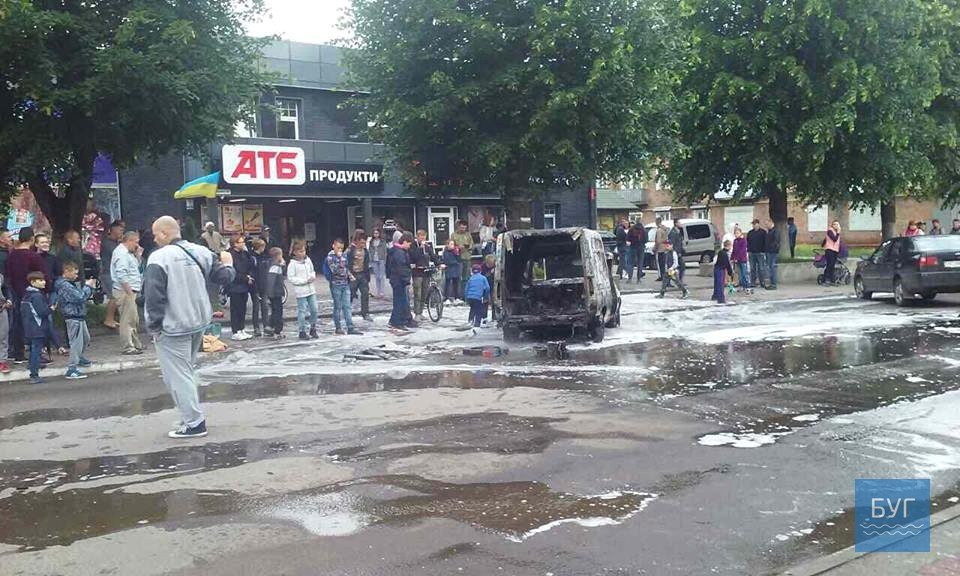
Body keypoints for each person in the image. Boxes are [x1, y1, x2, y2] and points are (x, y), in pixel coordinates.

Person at [144, 216, 235, 438]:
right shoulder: (201, 252)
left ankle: (194, 423)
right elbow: (224, 277)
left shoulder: (158, 258)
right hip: (198, 321)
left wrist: (153, 326)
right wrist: (229, 262)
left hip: (173, 325)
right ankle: (189, 416)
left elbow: (154, 296)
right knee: (185, 372)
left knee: (177, 376)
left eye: (155, 235)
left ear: (164, 233)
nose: (154, 239)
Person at [5, 226, 47, 362]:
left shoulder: (11, 256)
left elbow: (8, 275)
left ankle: (17, 352)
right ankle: (36, 354)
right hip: (32, 295)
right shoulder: (33, 256)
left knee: (17, 323)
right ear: (32, 239)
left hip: (15, 293)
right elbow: (42, 274)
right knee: (35, 324)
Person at [55, 262, 95, 379]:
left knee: (86, 339)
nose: (76, 276)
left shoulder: (70, 284)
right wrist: (88, 287)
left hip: (79, 315)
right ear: (66, 271)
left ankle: (79, 357)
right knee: (76, 342)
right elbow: (79, 297)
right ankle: (72, 368)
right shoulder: (64, 285)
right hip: (72, 316)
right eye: (74, 273)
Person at [111, 230, 143, 355]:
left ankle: (135, 343)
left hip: (130, 290)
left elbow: (135, 268)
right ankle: (128, 346)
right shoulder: (122, 254)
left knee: (133, 318)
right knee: (127, 319)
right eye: (136, 242)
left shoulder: (129, 254)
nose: (137, 245)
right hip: (125, 291)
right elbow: (122, 274)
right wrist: (129, 292)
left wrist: (138, 255)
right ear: (129, 241)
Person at [326, 238, 363, 335]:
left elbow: (346, 268)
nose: (340, 250)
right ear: (333, 246)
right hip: (336, 284)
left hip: (345, 284)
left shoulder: (344, 255)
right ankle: (338, 327)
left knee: (347, 306)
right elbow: (335, 270)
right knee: (337, 307)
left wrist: (350, 276)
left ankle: (350, 327)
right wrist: (339, 259)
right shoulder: (330, 257)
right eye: (338, 248)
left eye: (341, 248)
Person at [21, 271, 52, 384]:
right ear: (32, 282)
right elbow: (42, 312)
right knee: (36, 351)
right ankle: (34, 374)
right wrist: (51, 309)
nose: (44, 282)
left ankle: (33, 367)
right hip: (37, 327)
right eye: (40, 280)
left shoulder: (26, 295)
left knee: (33, 350)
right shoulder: (37, 296)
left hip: (29, 327)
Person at [287, 239, 319, 340]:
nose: (303, 253)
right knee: (302, 311)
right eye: (300, 251)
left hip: (311, 289)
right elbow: (291, 278)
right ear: (295, 252)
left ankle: (313, 328)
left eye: (304, 251)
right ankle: (302, 331)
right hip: (301, 291)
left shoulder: (308, 260)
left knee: (314, 309)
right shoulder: (292, 264)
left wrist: (312, 276)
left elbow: (312, 270)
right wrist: (304, 281)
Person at [226, 234, 255, 341]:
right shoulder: (230, 255)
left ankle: (242, 328)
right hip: (235, 285)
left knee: (243, 308)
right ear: (234, 244)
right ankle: (235, 330)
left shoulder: (245, 254)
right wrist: (245, 278)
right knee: (235, 309)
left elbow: (250, 265)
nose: (243, 244)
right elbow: (232, 271)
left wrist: (249, 276)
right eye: (240, 242)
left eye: (243, 242)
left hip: (245, 285)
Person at [387, 231, 415, 330]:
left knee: (399, 301)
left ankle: (394, 320)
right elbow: (401, 268)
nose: (409, 246)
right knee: (400, 302)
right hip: (399, 280)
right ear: (405, 242)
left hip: (396, 279)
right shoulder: (399, 252)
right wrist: (407, 278)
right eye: (409, 244)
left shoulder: (397, 251)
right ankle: (397, 322)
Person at [410, 229, 438, 322]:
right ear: (417, 237)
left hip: (426, 272)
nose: (422, 238)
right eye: (420, 237)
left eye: (424, 237)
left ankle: (421, 311)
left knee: (424, 293)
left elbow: (433, 256)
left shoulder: (427, 246)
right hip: (417, 272)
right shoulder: (413, 246)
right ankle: (417, 313)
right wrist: (420, 248)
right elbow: (413, 257)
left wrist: (439, 263)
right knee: (417, 293)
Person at [347, 230, 372, 321]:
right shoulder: (350, 250)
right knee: (350, 294)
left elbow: (366, 263)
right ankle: (347, 312)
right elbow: (346, 264)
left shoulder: (365, 251)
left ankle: (365, 313)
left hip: (363, 274)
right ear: (357, 241)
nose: (363, 244)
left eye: (364, 242)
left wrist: (367, 276)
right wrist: (349, 276)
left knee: (365, 293)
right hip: (353, 275)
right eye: (361, 242)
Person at [262, 247, 286, 339]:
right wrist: (270, 294)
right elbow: (271, 281)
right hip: (275, 293)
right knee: (278, 312)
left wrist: (283, 265)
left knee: (275, 310)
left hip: (276, 292)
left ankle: (269, 327)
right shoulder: (275, 266)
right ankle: (277, 331)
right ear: (278, 256)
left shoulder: (276, 265)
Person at [248, 238, 267, 337]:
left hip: (263, 285)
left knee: (265, 306)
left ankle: (266, 326)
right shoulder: (252, 258)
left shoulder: (264, 257)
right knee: (256, 307)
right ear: (260, 247)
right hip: (255, 286)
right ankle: (256, 327)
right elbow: (252, 272)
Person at [451, 220, 474, 295]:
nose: (463, 229)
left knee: (466, 277)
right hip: (458, 259)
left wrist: (469, 247)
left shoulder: (468, 234)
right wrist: (457, 247)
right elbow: (451, 246)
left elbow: (472, 244)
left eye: (464, 228)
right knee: (458, 277)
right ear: (458, 227)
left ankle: (465, 294)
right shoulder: (453, 235)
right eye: (462, 228)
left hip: (467, 258)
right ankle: (458, 295)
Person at [746, 219, 767, 289]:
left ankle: (762, 282)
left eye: (755, 224)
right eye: (753, 224)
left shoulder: (763, 232)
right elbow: (748, 242)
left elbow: (765, 242)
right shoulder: (750, 233)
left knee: (761, 268)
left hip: (760, 252)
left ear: (758, 224)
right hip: (752, 253)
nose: (754, 225)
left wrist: (763, 251)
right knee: (752, 268)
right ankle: (753, 282)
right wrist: (748, 250)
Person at [712, 240, 735, 304]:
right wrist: (730, 272)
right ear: (729, 246)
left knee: (717, 284)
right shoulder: (724, 254)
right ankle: (721, 299)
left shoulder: (721, 252)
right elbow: (727, 263)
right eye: (731, 246)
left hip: (717, 268)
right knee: (720, 284)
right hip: (720, 269)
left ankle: (715, 296)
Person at [368, 228, 388, 298]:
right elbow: (370, 250)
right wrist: (370, 259)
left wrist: (385, 260)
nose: (376, 235)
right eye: (374, 233)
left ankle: (382, 291)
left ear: (379, 234)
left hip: (381, 259)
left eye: (377, 233)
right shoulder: (371, 241)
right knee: (376, 276)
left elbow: (385, 251)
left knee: (381, 276)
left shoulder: (382, 241)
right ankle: (378, 291)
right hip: (374, 260)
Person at [731, 226, 752, 294]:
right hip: (737, 260)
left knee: (744, 273)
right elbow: (734, 250)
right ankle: (742, 286)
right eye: (735, 233)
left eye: (737, 233)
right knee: (740, 274)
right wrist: (732, 258)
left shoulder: (743, 240)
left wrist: (737, 258)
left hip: (742, 259)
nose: (736, 234)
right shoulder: (735, 241)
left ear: (740, 233)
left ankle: (748, 286)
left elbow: (742, 251)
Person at [823, 220, 842, 285]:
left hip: (835, 250)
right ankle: (826, 279)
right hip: (830, 250)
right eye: (834, 224)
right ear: (832, 225)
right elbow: (834, 239)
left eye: (837, 224)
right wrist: (838, 232)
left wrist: (823, 245)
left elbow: (825, 240)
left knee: (832, 265)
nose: (836, 226)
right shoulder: (830, 231)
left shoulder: (835, 232)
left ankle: (831, 279)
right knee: (829, 265)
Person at [764, 220, 780, 290]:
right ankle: (772, 283)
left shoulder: (775, 231)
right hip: (769, 251)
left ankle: (773, 284)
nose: (766, 226)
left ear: (771, 223)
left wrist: (771, 248)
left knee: (772, 267)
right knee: (770, 268)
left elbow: (776, 242)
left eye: (767, 224)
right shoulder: (770, 231)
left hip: (772, 252)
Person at [0, 264, 10, 374]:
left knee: (3, 335)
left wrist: (9, 300)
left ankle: (2, 361)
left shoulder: (1, 277)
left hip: (1, 309)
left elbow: (6, 289)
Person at [481, 254, 496, 321]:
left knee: (494, 301)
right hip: (485, 286)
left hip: (493, 285)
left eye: (492, 264)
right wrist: (490, 272)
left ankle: (494, 316)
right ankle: (484, 316)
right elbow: (483, 277)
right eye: (490, 264)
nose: (490, 265)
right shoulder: (483, 267)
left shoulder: (495, 266)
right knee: (485, 301)